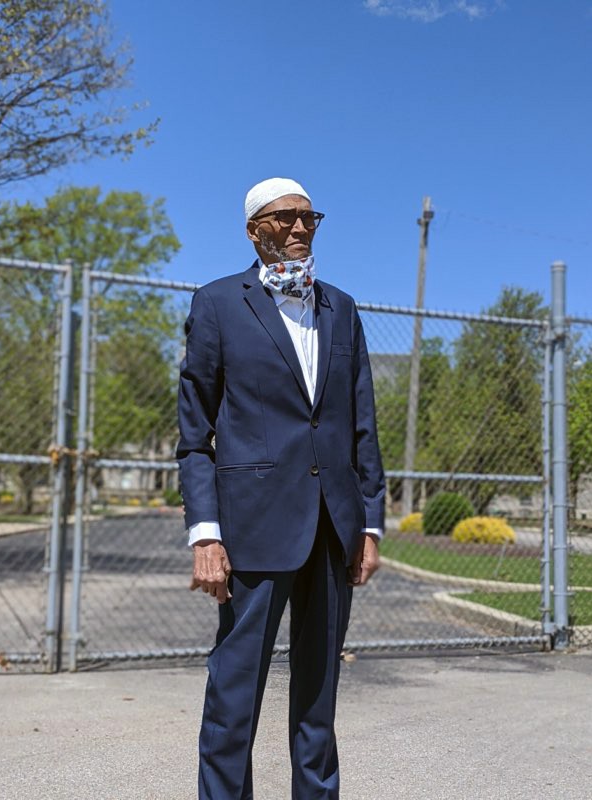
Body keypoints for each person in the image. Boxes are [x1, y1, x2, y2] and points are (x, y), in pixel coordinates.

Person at [177, 177, 385, 799]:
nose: (299, 227)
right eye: (284, 217)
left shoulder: (341, 308)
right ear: (253, 231)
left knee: (319, 700)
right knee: (234, 694)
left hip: (333, 528)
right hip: (253, 528)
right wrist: (205, 535)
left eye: (308, 217)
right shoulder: (217, 303)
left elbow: (362, 424)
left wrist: (370, 523)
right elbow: (195, 436)